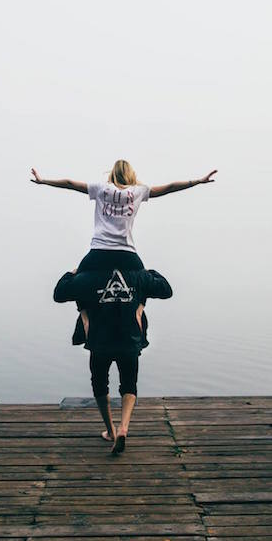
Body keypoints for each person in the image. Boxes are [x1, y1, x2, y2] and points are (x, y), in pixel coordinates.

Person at [30, 160, 216, 342]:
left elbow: (70, 184)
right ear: (131, 174)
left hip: (98, 252)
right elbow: (169, 187)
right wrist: (197, 181)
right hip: (127, 254)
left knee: (78, 281)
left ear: (112, 173)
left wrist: (43, 180)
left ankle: (85, 323)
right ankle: (138, 322)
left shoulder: (101, 189)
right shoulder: (138, 191)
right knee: (143, 284)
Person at [54, 267, 173, 454]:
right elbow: (166, 290)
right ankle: (123, 428)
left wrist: (73, 272)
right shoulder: (137, 275)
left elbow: (59, 292)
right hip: (129, 340)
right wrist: (149, 271)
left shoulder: (88, 277)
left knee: (100, 384)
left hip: (100, 341)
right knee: (129, 384)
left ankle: (110, 431)